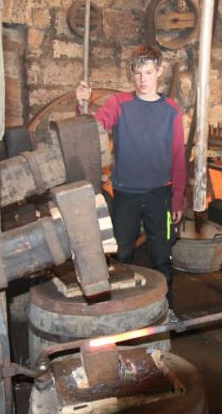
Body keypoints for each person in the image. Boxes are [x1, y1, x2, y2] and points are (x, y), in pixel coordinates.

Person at [76, 45, 186, 319]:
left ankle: (166, 311)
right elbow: (93, 130)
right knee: (121, 255)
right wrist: (82, 105)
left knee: (162, 258)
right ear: (131, 74)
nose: (143, 79)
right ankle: (118, 314)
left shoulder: (171, 111)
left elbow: (179, 158)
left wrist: (178, 199)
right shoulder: (119, 104)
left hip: (161, 194)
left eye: (148, 72)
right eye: (137, 73)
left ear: (159, 71)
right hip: (126, 194)